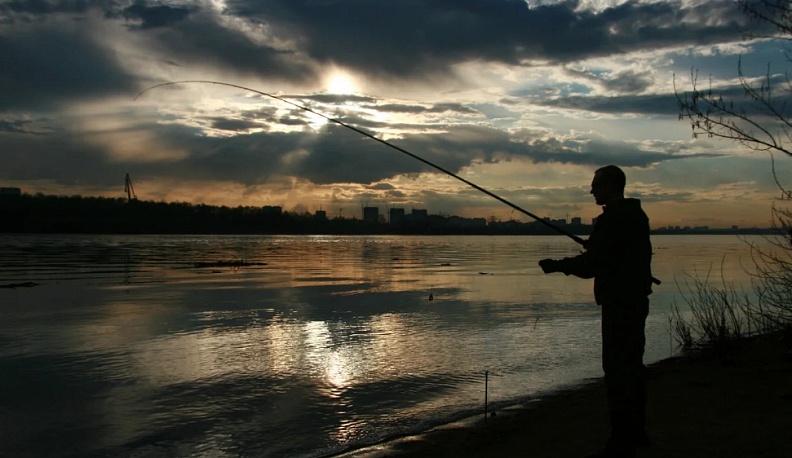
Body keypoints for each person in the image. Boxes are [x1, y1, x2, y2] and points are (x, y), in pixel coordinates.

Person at [539, 165, 653, 458]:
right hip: (635, 300)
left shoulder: (614, 219)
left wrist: (558, 265)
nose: (592, 191)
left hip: (620, 303)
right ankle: (636, 434)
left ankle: (621, 441)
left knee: (617, 372)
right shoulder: (635, 216)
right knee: (632, 368)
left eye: (596, 185)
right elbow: (611, 256)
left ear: (612, 185)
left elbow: (594, 265)